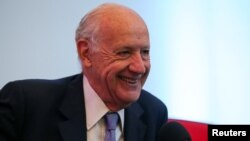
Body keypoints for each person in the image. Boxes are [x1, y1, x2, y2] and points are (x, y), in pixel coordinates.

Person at [0, 3, 167, 141]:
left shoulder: (154, 113)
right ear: (86, 53)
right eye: (124, 52)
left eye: (145, 52)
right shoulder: (25, 105)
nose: (140, 67)